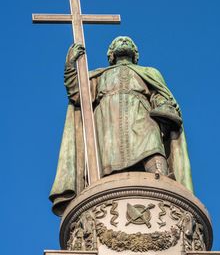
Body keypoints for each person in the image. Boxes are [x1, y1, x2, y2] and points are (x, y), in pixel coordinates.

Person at [50, 36, 193, 216]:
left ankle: (162, 188)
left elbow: (161, 94)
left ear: (136, 53)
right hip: (108, 123)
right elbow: (78, 95)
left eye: (128, 41)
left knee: (152, 148)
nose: (124, 42)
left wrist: (164, 105)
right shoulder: (99, 76)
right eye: (118, 41)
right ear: (110, 54)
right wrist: (70, 67)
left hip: (142, 116)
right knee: (108, 162)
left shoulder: (149, 72)